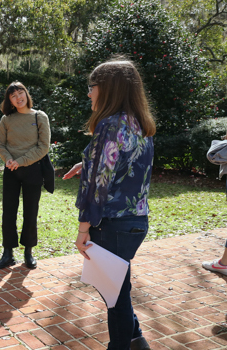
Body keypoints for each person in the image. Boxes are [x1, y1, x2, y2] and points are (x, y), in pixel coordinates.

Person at [63, 57, 156, 350]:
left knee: (115, 298)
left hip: (111, 225)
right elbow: (125, 166)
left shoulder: (109, 125)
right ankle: (137, 339)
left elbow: (97, 188)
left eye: (92, 86)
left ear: (108, 88)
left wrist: (82, 231)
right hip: (136, 222)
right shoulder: (140, 124)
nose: (89, 93)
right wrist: (87, 163)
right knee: (118, 289)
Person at [0, 82, 50, 270]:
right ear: (9, 100)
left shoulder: (39, 116)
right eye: (13, 96)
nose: (18, 97)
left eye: (20, 93)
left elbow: (43, 147)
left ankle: (28, 252)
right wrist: (9, 159)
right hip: (11, 171)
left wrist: (22, 161)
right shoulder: (6, 120)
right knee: (8, 212)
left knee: (30, 211)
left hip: (33, 170)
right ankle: (7, 253)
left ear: (26, 93)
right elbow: (0, 144)